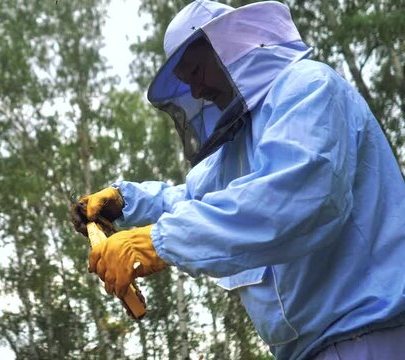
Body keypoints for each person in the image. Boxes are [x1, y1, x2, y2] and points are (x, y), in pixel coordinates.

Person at [70, 1, 405, 359]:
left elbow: (294, 197)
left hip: (371, 334)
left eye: (197, 72)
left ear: (230, 45)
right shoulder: (237, 143)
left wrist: (157, 242)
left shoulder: (307, 87)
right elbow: (195, 200)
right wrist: (126, 202)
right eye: (187, 83)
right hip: (307, 350)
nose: (197, 92)